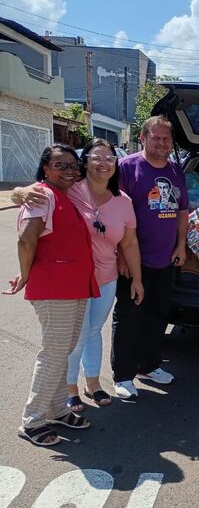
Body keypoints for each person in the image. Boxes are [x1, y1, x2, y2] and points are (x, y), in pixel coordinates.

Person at [11, 139, 144, 411]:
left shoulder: (123, 200)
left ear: (116, 164)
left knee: (94, 331)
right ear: (87, 162)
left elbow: (129, 243)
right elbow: (35, 193)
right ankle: (68, 387)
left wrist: (138, 279)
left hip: (106, 276)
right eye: (97, 157)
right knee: (77, 335)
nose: (103, 163)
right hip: (72, 278)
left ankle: (92, 382)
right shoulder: (70, 188)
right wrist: (19, 191)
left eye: (109, 158)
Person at [4, 145, 99, 446]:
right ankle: (32, 421)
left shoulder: (65, 195)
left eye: (74, 166)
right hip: (54, 287)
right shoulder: (42, 194)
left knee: (66, 348)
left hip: (73, 285)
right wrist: (26, 275)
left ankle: (57, 408)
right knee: (54, 352)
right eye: (61, 165)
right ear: (46, 168)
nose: (69, 171)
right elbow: (25, 239)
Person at [112, 116, 188, 399]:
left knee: (157, 315)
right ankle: (123, 375)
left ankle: (149, 366)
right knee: (130, 316)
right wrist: (120, 253)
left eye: (166, 139)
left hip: (165, 259)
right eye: (155, 137)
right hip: (134, 259)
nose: (161, 143)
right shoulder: (127, 167)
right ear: (142, 138)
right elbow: (116, 211)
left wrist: (181, 246)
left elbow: (182, 211)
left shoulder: (176, 171)